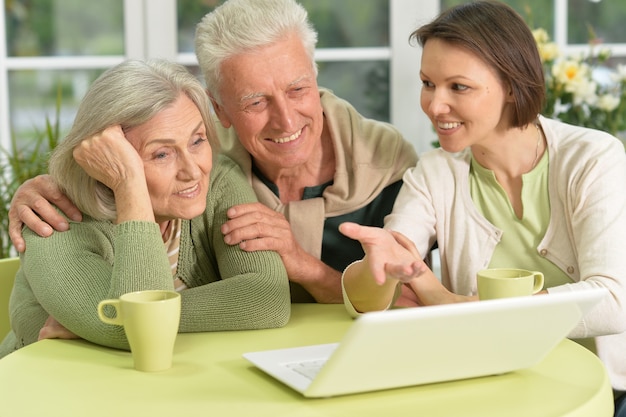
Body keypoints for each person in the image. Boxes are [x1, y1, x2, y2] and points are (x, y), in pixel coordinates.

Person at [7, 0, 419, 304]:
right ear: (217, 109)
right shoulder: (208, 158)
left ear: (315, 78)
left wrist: (306, 266)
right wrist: (47, 185)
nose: (286, 121)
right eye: (256, 102)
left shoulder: (387, 163)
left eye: (298, 90)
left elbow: (411, 304)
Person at [338, 0, 626, 410]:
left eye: (459, 87)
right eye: (428, 83)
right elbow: (376, 291)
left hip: (601, 395)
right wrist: (378, 267)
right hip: (489, 390)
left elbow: (613, 302)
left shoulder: (593, 158)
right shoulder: (435, 173)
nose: (435, 106)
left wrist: (457, 306)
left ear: (511, 85)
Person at [0, 59, 291, 358]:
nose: (192, 170)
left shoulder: (218, 179)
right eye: (161, 154)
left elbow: (267, 299)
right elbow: (136, 334)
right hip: (43, 393)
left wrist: (125, 322)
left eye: (197, 140)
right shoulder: (52, 220)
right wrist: (129, 186)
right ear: (105, 159)